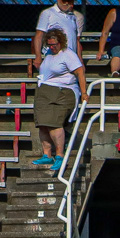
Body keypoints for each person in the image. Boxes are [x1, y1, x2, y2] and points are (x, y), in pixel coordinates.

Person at [31, 28, 84, 169]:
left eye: (54, 44)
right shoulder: (48, 53)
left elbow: (80, 72)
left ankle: (60, 156)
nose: (52, 47)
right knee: (42, 123)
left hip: (62, 92)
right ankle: (47, 155)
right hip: (44, 91)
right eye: (50, 44)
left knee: (54, 122)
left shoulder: (68, 54)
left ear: (61, 42)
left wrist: (84, 93)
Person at [32, 0, 81, 74]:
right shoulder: (47, 13)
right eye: (64, 0)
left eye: (69, 1)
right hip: (54, 57)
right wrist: (38, 56)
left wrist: (79, 59)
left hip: (71, 59)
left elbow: (75, 39)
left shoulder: (73, 17)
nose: (66, 3)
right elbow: (39, 36)